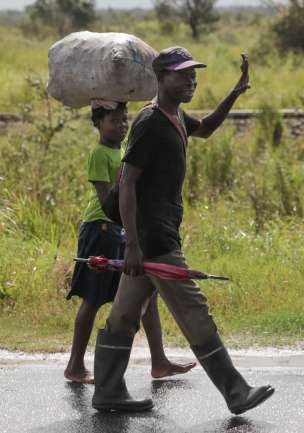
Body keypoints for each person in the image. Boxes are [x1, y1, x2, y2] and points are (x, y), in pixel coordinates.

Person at [91, 47, 275, 414]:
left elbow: (205, 129)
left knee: (125, 315)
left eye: (194, 73)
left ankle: (108, 391)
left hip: (152, 237)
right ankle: (235, 391)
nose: (191, 79)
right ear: (160, 79)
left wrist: (235, 93)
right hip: (154, 240)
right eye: (182, 74)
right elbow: (126, 185)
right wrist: (133, 245)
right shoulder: (149, 123)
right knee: (194, 310)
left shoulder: (174, 116)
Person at [64, 100, 195, 384]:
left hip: (123, 231)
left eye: (125, 120)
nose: (122, 126)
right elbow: (108, 201)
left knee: (147, 296)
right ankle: (75, 365)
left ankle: (159, 362)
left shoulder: (123, 150)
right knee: (93, 299)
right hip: (101, 230)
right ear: (98, 123)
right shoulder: (99, 154)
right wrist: (129, 184)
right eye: (114, 121)